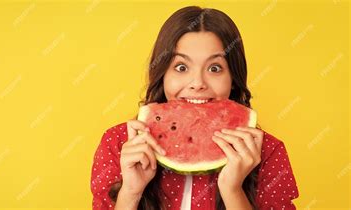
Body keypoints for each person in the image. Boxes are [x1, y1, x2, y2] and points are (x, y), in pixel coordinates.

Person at [90, 6, 299, 210]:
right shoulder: (119, 145)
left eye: (214, 68)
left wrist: (233, 190)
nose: (197, 83)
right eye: (181, 67)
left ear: (233, 78)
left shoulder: (266, 152)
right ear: (163, 74)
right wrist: (131, 193)